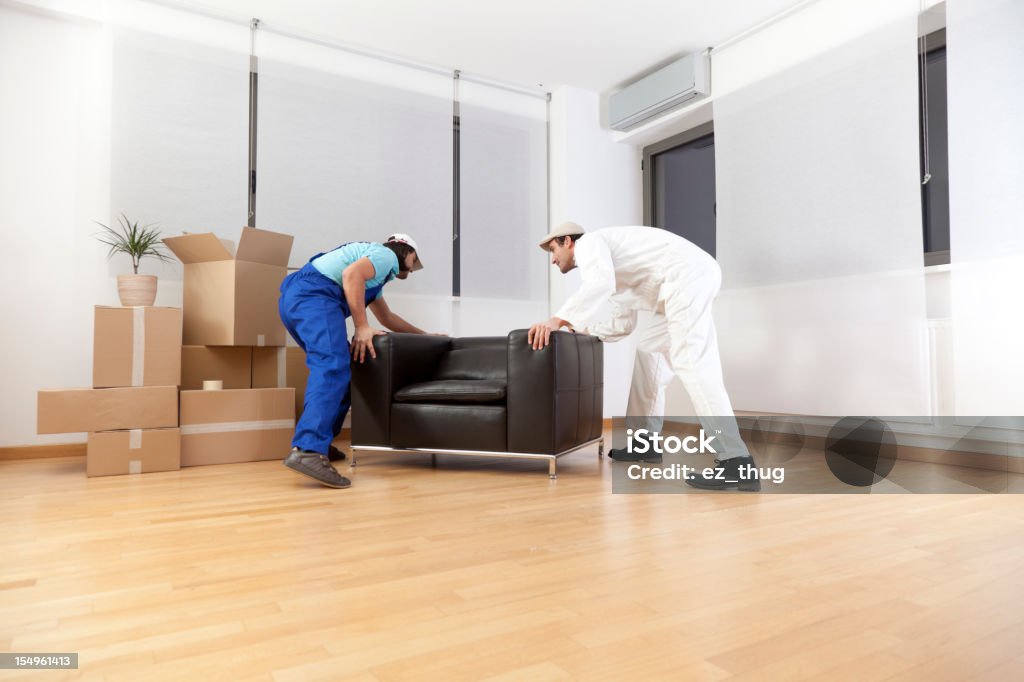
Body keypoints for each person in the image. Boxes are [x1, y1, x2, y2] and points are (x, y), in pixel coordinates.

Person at [527, 222, 759, 491]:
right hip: (677, 287)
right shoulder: (612, 270)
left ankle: (735, 461)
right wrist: (580, 329)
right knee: (648, 352)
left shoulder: (590, 244)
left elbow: (598, 284)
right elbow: (621, 325)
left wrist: (558, 319)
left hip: (686, 276)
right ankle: (644, 444)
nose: (553, 259)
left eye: (554, 250)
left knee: (693, 363)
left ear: (568, 241)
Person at [279, 233, 431, 489]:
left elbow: (388, 318)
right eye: (414, 260)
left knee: (348, 370)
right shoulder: (384, 255)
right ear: (405, 249)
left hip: (300, 297)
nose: (413, 268)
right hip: (314, 296)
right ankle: (307, 450)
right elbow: (351, 276)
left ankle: (321, 442)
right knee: (332, 366)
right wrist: (361, 327)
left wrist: (425, 336)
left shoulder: (376, 275)